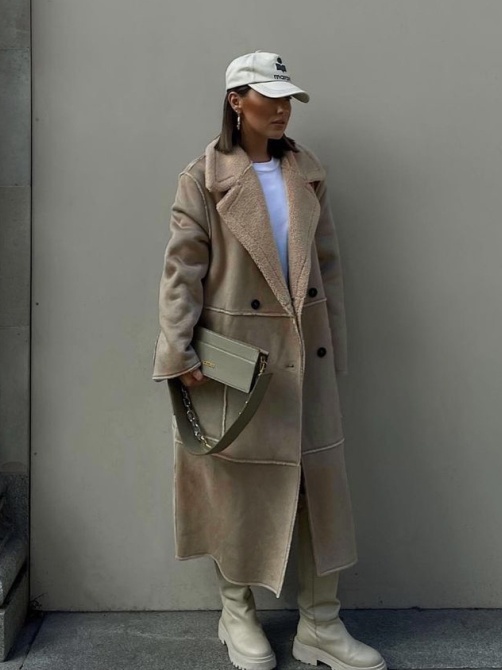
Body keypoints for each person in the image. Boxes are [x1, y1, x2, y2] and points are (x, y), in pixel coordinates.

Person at [152, 51, 385, 670]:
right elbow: (182, 272)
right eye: (269, 97)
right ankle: (237, 613)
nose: (282, 109)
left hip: (304, 356)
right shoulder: (202, 177)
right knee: (235, 487)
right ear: (237, 101)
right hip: (238, 361)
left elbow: (327, 266)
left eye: (287, 99)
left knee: (318, 490)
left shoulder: (306, 171)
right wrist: (178, 350)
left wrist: (332, 345)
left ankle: (321, 625)